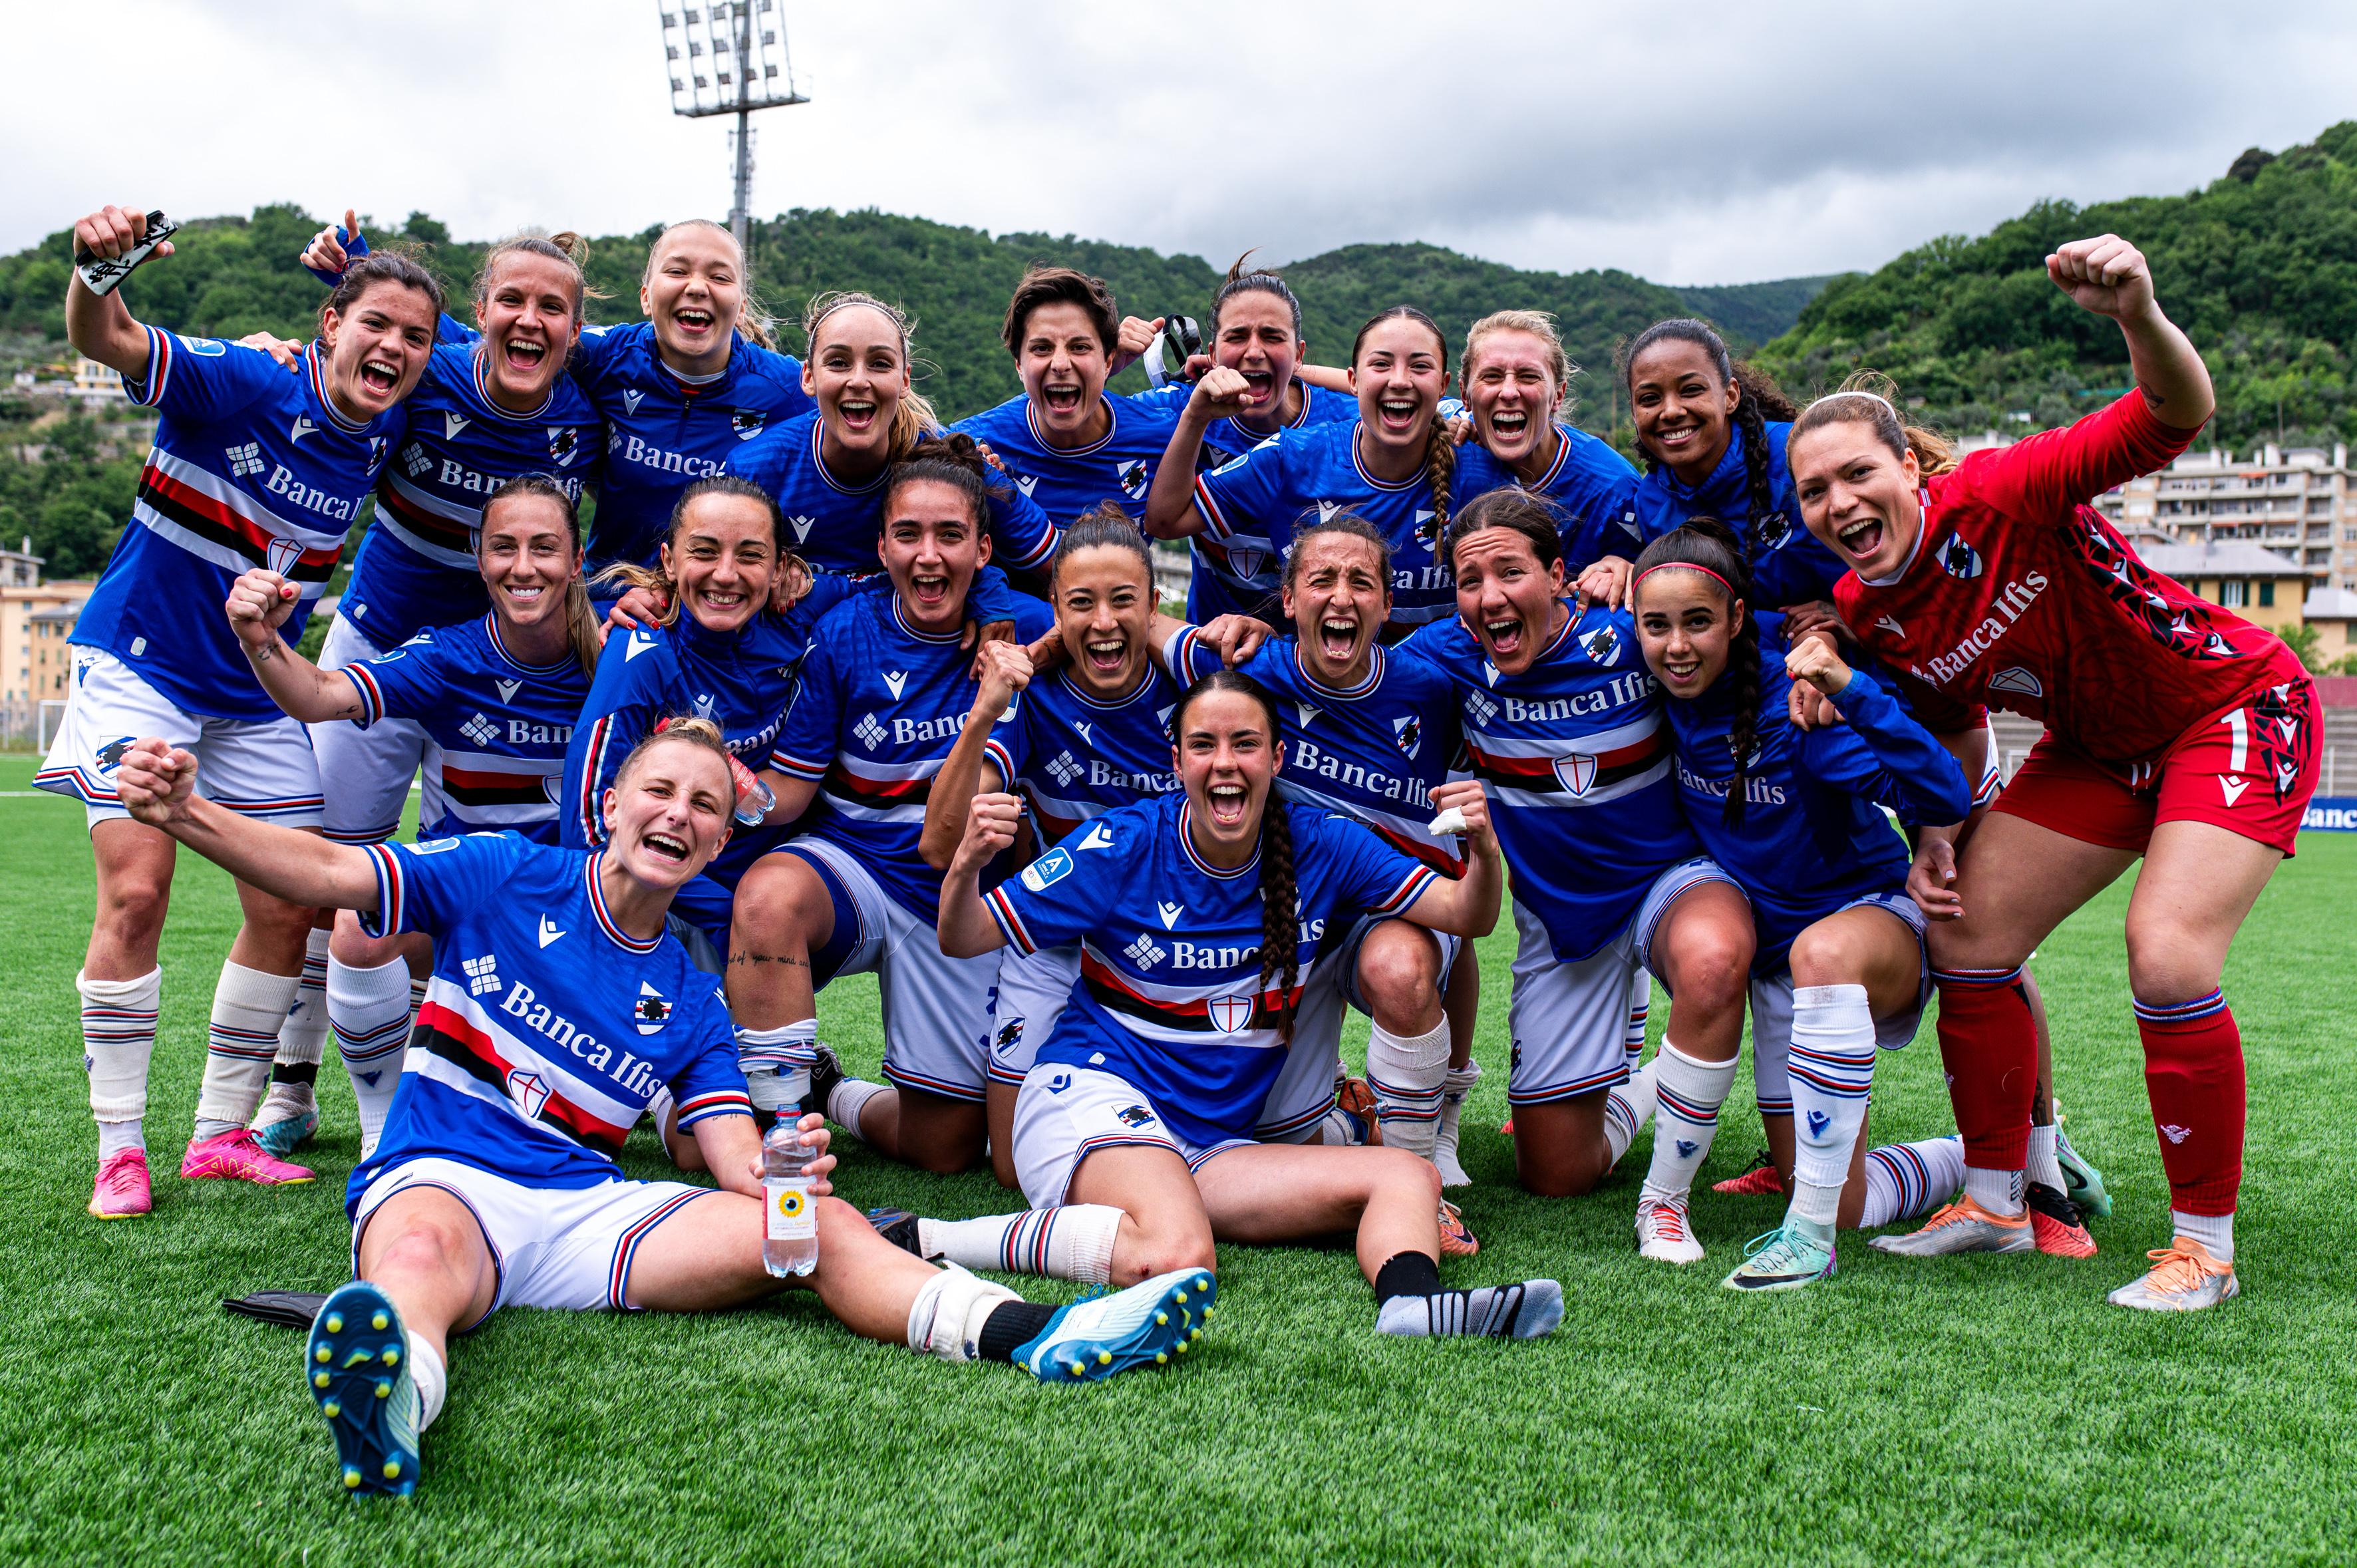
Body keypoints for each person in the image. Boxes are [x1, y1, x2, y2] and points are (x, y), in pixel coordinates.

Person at [106, 719, 1219, 1496]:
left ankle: (1040, 1332)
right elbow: (327, 874)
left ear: (717, 844)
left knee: (813, 1231)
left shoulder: (689, 997)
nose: (677, 814)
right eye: (659, 791)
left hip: (585, 1213)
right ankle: (394, 1390)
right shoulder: (502, 871)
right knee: (424, 1258)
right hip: (442, 1178)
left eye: (702, 806)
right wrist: (187, 809)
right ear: (608, 804)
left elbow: (735, 1159)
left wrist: (783, 1167)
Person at [1792, 234, 2320, 1310]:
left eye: (1857, 472)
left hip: (2227, 702)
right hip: (2097, 751)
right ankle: (1994, 1203)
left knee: (2165, 954)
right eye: (1811, 491)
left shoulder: (2000, 492)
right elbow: (1948, 726)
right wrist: (1935, 833)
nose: (1838, 502)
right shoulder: (1864, 608)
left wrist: (2136, 312)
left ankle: (2201, 1253)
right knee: (1963, 932)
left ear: (1911, 468)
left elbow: (2172, 414)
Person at [903, 667, 1560, 1338]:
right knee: (1182, 1254)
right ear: (1177, 759)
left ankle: (1412, 1305)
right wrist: (966, 866)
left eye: (1245, 743)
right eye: (1204, 744)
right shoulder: (1125, 843)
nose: (1225, 763)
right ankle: (932, 1235)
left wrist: (1481, 851)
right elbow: (962, 936)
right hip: (1090, 1096)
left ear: (1276, 758)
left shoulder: (1322, 842)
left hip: (1211, 1146)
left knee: (1406, 1174)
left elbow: (1465, 915)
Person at [39, 204, 439, 1219]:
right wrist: (96, 276)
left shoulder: (385, 429)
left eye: (414, 336)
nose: (391, 347)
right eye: (375, 324)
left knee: (289, 899)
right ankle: (120, 1148)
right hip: (143, 664)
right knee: (139, 887)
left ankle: (219, 1134)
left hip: (252, 689)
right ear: (327, 326)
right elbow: (111, 340)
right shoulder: (245, 377)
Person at [268, 220, 606, 1158]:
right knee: (334, 866)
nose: (530, 319)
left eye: (552, 305)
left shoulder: (589, 409)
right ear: (480, 311)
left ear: (576, 330)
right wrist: (283, 348)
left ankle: (453, 1065)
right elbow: (349, 362)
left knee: (477, 864)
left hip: (506, 659)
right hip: (383, 641)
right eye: (513, 300)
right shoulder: (435, 370)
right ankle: (292, 1081)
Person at [1400, 490, 1758, 1264]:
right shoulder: (1445, 655)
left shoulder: (1631, 636)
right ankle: (1655, 1075)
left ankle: (1664, 1203)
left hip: (1667, 880)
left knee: (1715, 958)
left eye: (1510, 571)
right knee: (1555, 1175)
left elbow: (1723, 620)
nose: (1490, 596)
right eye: (1470, 580)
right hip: (1561, 926)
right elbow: (1343, 668)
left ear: (1559, 574)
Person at [1630, 520, 1979, 1289]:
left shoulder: (1803, 713)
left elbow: (1945, 790)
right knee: (1849, 1198)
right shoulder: (1658, 677)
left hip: (1868, 919)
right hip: (1778, 957)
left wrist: (1850, 691)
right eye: (1656, 625)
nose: (1677, 645)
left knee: (1819, 950)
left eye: (1697, 623)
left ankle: (1804, 1239)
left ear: (1736, 620)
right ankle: (1982, 1151)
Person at [224, 475, 601, 1159]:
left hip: (578, 913)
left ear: (578, 561)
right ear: (478, 557)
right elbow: (317, 695)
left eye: (545, 547)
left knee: (632, 1128)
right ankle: (386, 1133)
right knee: (361, 921)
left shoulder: (617, 652)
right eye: (503, 547)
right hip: (461, 910)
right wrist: (261, 640)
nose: (523, 566)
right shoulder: (450, 654)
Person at [1158, 513, 1484, 1249]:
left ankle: (1417, 1170)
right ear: (1288, 597)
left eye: (1361, 581)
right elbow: (1144, 620)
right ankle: (1355, 1113)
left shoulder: (1432, 689)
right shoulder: (1247, 673)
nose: (1341, 596)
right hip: (1274, 924)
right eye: (1322, 580)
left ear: (1387, 605)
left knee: (1400, 968)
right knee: (1267, 1134)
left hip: (1388, 910)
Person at [728, 440, 1055, 1173]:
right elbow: (790, 793)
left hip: (959, 899)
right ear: (881, 546)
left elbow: (1107, 613)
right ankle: (776, 1125)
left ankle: (831, 1089)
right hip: (857, 869)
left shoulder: (1026, 626)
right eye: (908, 534)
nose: (928, 556)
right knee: (767, 899)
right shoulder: (845, 630)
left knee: (945, 1150)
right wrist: (721, 784)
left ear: (983, 549)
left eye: (950, 536)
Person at [913, 508, 1185, 1187]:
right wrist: (983, 708)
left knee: (1214, 1135)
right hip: (1058, 936)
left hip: (1176, 938)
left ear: (1153, 605)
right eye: (1081, 603)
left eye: (1123, 600)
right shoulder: (1034, 699)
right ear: (1056, 611)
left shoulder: (1190, 687)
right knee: (1010, 1168)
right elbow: (941, 843)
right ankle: (841, 1093)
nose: (1102, 622)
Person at [1146, 307, 1458, 633]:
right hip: (1260, 656)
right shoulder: (1288, 454)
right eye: (1237, 338)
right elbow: (1166, 519)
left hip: (1428, 676)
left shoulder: (1469, 442)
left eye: (1273, 338)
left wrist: (1291, 369)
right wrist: (1195, 413)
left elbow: (1496, 414)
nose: (1399, 380)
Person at [722, 290, 1059, 577]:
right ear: (808, 376)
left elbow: (1056, 561)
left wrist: (986, 590)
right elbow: (712, 577)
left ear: (905, 380)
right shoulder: (754, 469)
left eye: (880, 364)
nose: (858, 380)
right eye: (838, 362)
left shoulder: (952, 463)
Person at [1619, 317, 1846, 611]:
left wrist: (1851, 615)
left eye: (1691, 390)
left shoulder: (1800, 456)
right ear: (1635, 414)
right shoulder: (1651, 505)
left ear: (1730, 396)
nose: (1672, 411)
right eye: (1650, 399)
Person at [1177, 253, 1358, 618]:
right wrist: (1115, 356)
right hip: (1216, 654)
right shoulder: (1186, 411)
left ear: (1299, 354)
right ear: (1211, 354)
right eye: (1237, 337)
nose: (1255, 351)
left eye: (1273, 337)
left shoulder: (1350, 422)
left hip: (1316, 653)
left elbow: (1421, 403)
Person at [951, 266, 1185, 533]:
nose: (1060, 364)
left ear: (1109, 360)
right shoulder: (975, 445)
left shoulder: (1164, 434)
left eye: (1079, 347)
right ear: (1019, 365)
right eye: (1042, 348)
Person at [1451, 310, 1643, 583]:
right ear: (1465, 395)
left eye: (1528, 376)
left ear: (1558, 395)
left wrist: (1624, 569)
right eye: (1491, 376)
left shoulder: (1612, 488)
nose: (1508, 392)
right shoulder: (1449, 452)